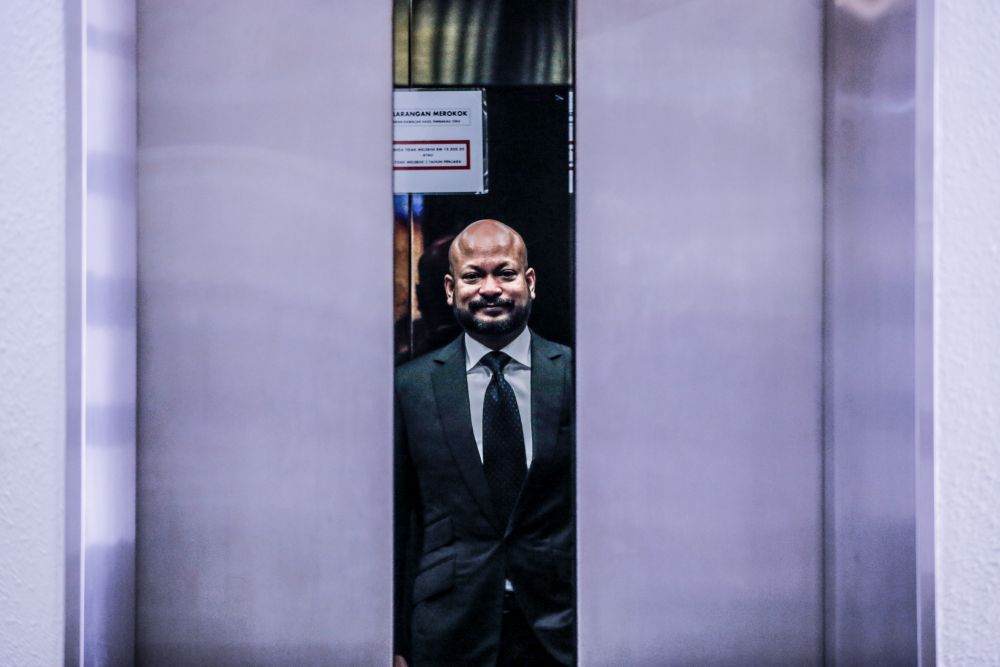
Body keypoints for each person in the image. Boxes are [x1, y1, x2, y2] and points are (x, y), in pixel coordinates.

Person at [394, 219, 574, 666]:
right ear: (450, 289)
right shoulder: (409, 387)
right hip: (447, 627)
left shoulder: (575, 376)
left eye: (505, 273)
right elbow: (398, 522)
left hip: (561, 626)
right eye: (473, 276)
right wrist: (392, 639)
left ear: (530, 282)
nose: (490, 289)